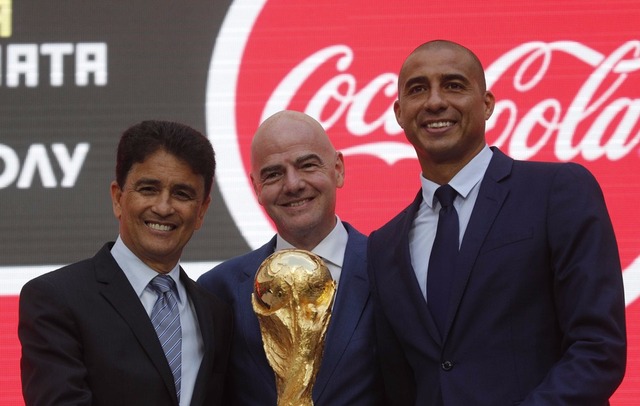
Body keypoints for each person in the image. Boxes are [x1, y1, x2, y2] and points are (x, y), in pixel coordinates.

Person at [367, 40, 627, 405]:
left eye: (454, 85)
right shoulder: (383, 246)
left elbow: (598, 349)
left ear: (487, 104)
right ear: (399, 112)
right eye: (418, 89)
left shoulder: (557, 191)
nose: (435, 101)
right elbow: (398, 387)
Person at [18, 120, 232, 406]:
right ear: (118, 198)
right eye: (148, 189)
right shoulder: (55, 299)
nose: (163, 207)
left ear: (202, 211)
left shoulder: (215, 313)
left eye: (182, 194)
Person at [197, 110, 385, 405]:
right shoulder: (217, 290)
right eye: (273, 174)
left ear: (338, 169)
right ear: (256, 187)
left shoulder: (391, 269)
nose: (293, 184)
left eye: (307, 165)